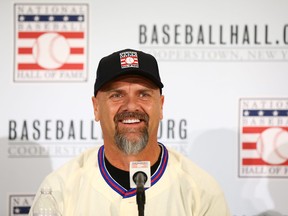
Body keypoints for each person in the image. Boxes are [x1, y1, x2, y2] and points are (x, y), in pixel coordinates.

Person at [29, 49, 231, 216]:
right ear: (96, 108)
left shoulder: (201, 190)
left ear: (161, 106)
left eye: (144, 94)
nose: (131, 106)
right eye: (116, 95)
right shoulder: (58, 189)